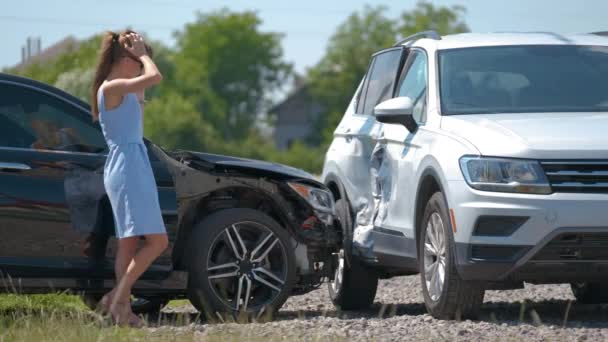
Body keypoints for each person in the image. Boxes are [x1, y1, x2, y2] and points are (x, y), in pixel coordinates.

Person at [90, 30, 168, 327]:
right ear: (126, 60)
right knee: (157, 242)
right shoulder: (113, 87)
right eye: (136, 61)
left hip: (130, 164)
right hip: (128, 166)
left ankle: (122, 309)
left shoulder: (122, 89)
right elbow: (155, 76)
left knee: (129, 243)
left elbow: (144, 91)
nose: (142, 66)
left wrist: (139, 50)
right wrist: (143, 55)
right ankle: (116, 298)